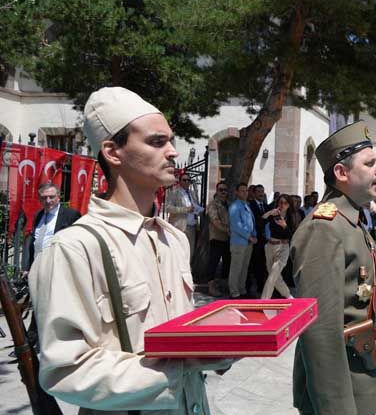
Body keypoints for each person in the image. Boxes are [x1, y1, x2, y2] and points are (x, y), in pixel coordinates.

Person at [29, 86, 231, 414]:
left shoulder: (174, 239)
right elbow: (65, 370)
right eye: (157, 142)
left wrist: (219, 343)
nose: (173, 152)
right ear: (113, 152)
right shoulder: (75, 248)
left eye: (171, 140)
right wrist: (177, 367)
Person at [290, 121, 376, 415]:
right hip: (343, 391)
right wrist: (335, 407)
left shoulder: (350, 221)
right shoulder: (325, 228)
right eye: (370, 163)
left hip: (361, 375)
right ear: (341, 172)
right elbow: (320, 331)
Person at [25, 182, 81, 271]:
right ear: (39, 199)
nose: (48, 201)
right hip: (37, 266)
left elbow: (77, 244)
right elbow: (35, 242)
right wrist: (28, 268)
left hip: (59, 268)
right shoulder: (38, 215)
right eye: (44, 198)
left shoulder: (70, 215)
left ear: (58, 197)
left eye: (51, 197)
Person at [260, 194, 295, 299]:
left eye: (285, 203)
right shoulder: (273, 214)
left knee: (273, 275)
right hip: (270, 246)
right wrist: (269, 213)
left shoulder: (291, 217)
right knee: (275, 276)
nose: (282, 205)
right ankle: (288, 295)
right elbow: (260, 222)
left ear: (289, 205)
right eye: (280, 202)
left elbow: (291, 235)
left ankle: (264, 300)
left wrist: (284, 226)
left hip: (283, 248)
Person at [228, 183, 256, 298]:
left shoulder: (246, 205)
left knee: (244, 268)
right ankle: (234, 292)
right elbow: (236, 226)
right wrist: (249, 237)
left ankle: (242, 290)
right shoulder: (235, 206)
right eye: (242, 191)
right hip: (239, 242)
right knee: (236, 268)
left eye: (246, 191)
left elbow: (251, 222)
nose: (245, 193)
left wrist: (254, 235)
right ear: (237, 192)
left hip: (248, 242)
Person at [165, 172, 203, 258]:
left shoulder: (192, 193)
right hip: (180, 226)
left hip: (192, 226)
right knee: (179, 251)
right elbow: (168, 208)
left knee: (190, 252)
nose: (186, 182)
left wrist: (198, 210)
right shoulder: (174, 192)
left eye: (188, 180)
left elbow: (195, 206)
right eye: (184, 180)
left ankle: (188, 266)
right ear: (180, 181)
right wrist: (185, 209)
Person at [205, 181, 231, 295]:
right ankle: (211, 287)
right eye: (221, 190)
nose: (223, 192)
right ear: (217, 191)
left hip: (228, 239)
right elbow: (215, 221)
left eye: (225, 190)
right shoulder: (213, 204)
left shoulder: (229, 204)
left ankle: (224, 286)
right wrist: (228, 230)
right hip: (216, 237)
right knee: (213, 262)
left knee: (227, 263)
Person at [246, 185, 268, 296]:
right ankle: (248, 288)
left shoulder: (265, 206)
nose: (261, 194)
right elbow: (255, 221)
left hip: (265, 239)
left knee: (262, 264)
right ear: (254, 193)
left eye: (262, 191)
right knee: (252, 264)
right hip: (254, 238)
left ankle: (261, 287)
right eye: (258, 191)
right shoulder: (250, 206)